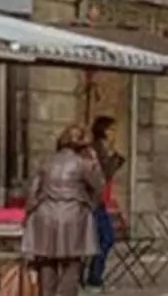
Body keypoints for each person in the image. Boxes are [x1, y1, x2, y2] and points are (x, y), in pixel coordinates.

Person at [23, 124, 103, 296]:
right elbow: (98, 186)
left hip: (45, 214)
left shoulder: (45, 162)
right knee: (72, 264)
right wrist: (94, 162)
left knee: (47, 262)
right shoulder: (84, 164)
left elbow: (32, 193)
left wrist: (28, 216)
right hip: (74, 214)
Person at [83, 115, 126, 289]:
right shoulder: (95, 150)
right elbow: (102, 175)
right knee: (103, 238)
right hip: (93, 202)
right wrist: (114, 158)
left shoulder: (104, 149)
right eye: (112, 129)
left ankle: (95, 276)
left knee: (104, 238)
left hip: (100, 202)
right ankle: (92, 278)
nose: (115, 133)